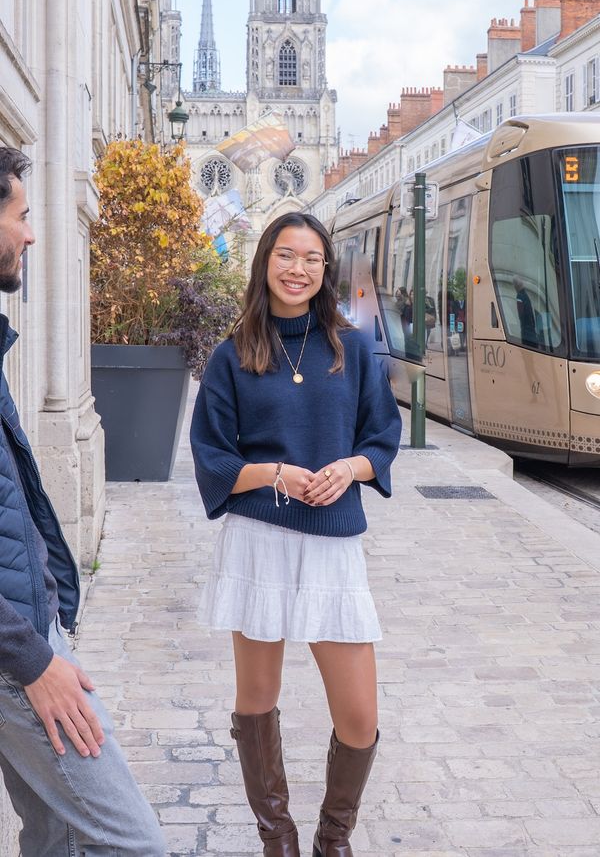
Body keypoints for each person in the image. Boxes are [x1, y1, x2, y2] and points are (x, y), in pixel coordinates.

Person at [190, 212, 401, 857]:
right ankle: (276, 838)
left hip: (333, 541)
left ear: (325, 270)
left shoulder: (354, 348)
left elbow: (382, 440)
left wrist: (350, 468)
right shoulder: (232, 356)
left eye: (312, 258)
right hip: (259, 538)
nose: (298, 269)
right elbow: (211, 456)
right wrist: (275, 472)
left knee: (360, 716)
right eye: (286, 255)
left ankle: (332, 839)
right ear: (266, 263)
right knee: (256, 699)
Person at [0, 148, 165, 857]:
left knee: (57, 835)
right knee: (133, 843)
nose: (33, 234)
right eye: (21, 215)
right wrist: (33, 659)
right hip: (17, 650)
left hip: (29, 626)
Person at [513, 275, 538, 347]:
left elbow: (521, 315)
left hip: (526, 333)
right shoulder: (526, 295)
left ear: (516, 286)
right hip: (531, 331)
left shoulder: (519, 297)